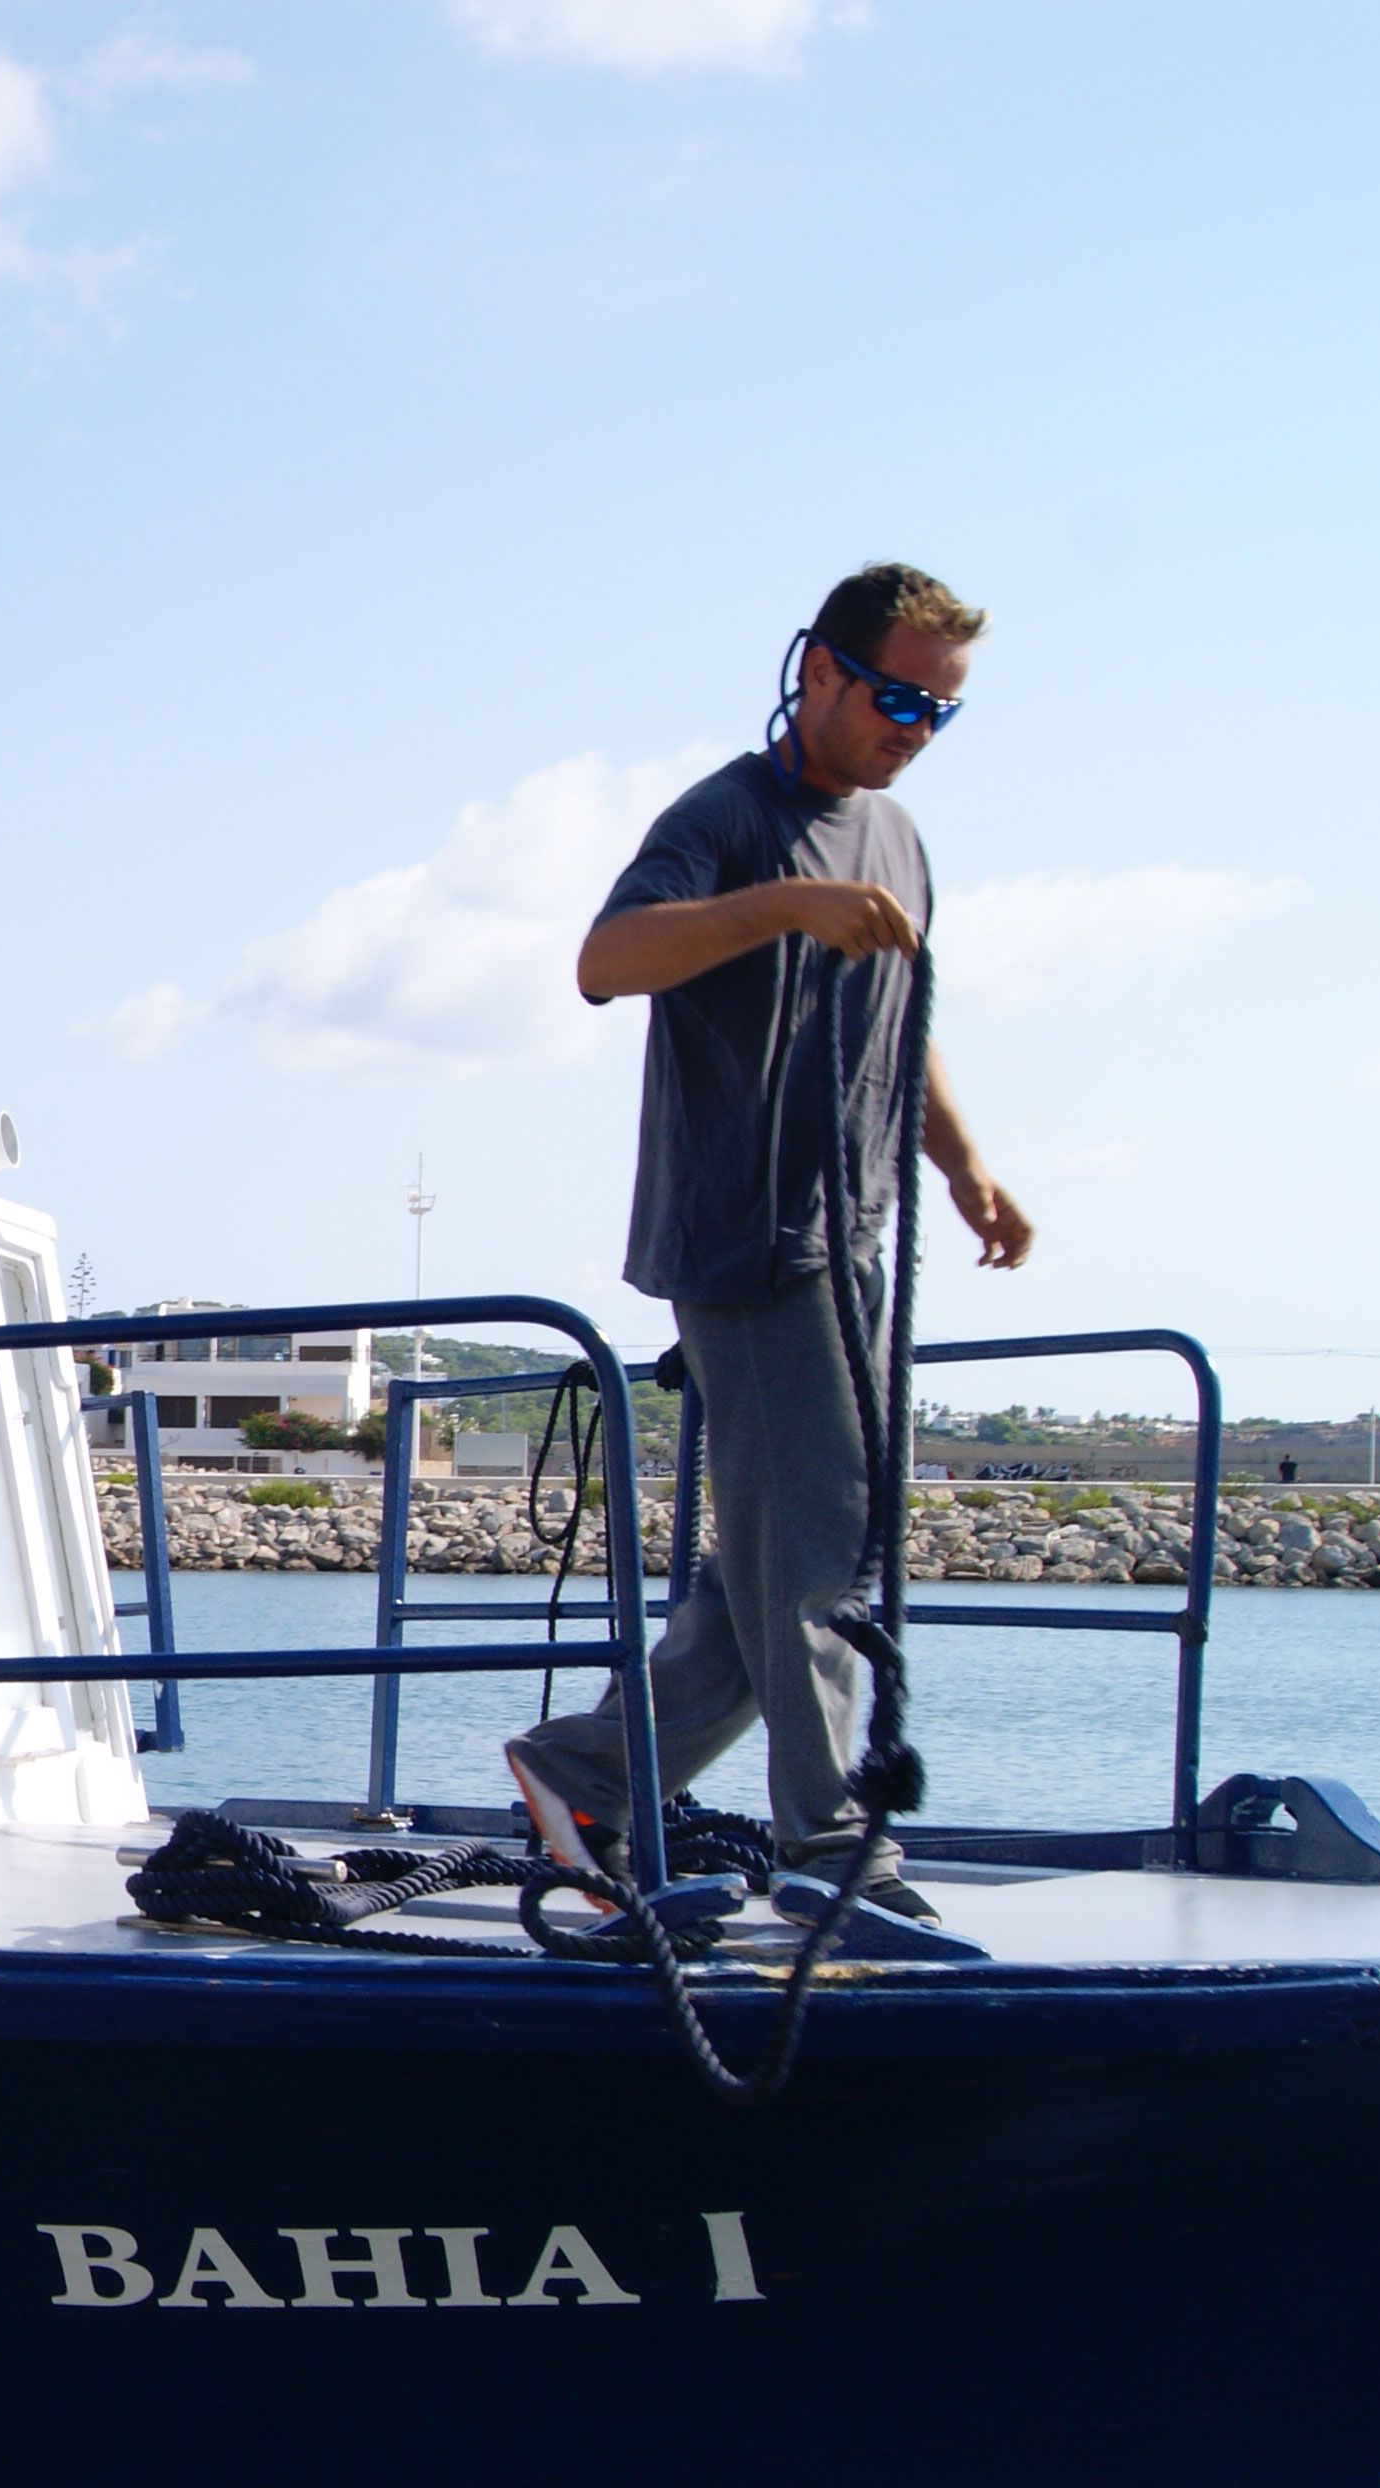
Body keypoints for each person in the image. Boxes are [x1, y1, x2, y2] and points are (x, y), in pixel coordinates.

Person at [504, 563, 1036, 1914]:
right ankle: (833, 1849)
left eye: (943, 711)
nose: (914, 727)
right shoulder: (728, 817)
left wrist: (968, 1169)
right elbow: (606, 959)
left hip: (854, 1246)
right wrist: (780, 907)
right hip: (747, 1240)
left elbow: (901, 1035)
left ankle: (590, 1774)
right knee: (823, 1554)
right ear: (820, 672)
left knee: (781, 1568)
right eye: (900, 695)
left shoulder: (900, 842)